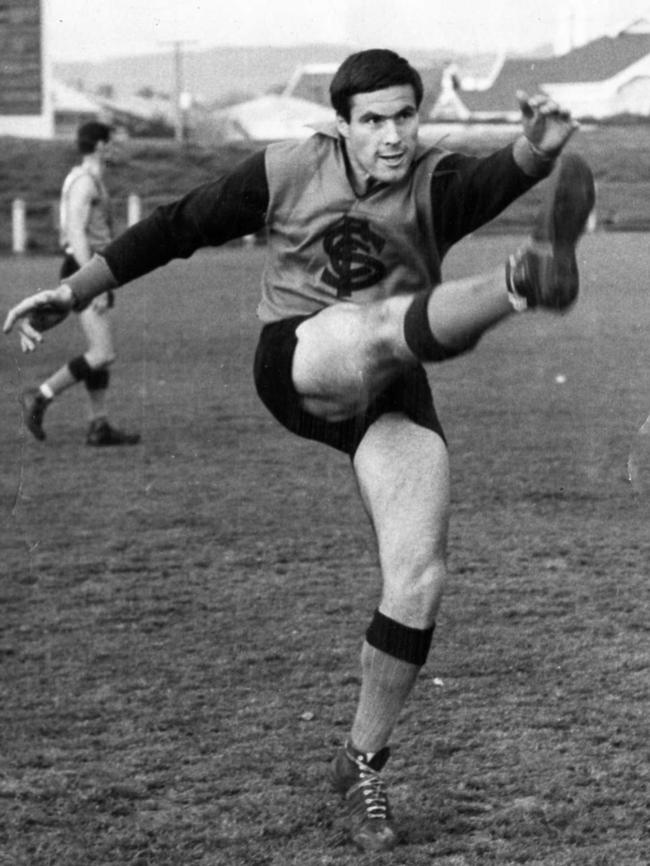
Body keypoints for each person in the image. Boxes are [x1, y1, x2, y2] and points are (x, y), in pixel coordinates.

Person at [4, 50, 595, 854]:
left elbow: (493, 179)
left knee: (418, 576)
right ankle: (524, 284)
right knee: (374, 324)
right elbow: (179, 225)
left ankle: (361, 761)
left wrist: (538, 149)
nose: (392, 136)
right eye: (374, 121)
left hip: (389, 389)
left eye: (405, 117)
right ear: (342, 124)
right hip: (300, 358)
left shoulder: (434, 179)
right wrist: (71, 291)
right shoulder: (287, 168)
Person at [19, 120, 140, 446]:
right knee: (102, 353)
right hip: (86, 269)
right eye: (111, 142)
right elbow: (75, 231)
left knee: (100, 351)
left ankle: (98, 425)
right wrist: (93, 281)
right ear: (100, 145)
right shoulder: (86, 182)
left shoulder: (89, 179)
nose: (115, 147)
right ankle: (40, 397)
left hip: (93, 268)